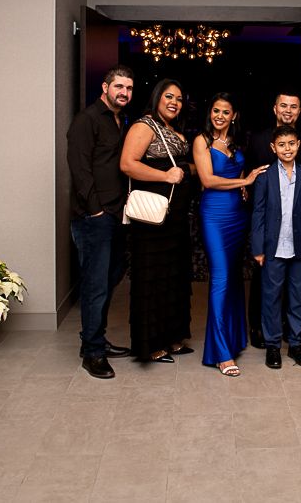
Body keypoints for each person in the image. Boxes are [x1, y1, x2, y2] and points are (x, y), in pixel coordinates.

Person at [192, 93, 269, 376]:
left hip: (238, 215)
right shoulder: (202, 140)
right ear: (210, 112)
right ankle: (221, 352)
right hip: (214, 215)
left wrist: (244, 188)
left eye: (225, 112)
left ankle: (234, 338)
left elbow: (236, 176)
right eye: (215, 111)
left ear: (233, 115)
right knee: (221, 279)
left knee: (235, 277)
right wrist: (244, 180)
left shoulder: (235, 142)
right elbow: (208, 180)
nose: (220, 116)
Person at [67, 65, 135, 380]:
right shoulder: (87, 120)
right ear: (105, 87)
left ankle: (96, 339)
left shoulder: (120, 121)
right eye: (119, 86)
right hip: (95, 217)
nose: (124, 93)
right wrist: (95, 210)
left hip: (116, 214)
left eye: (129, 88)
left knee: (110, 279)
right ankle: (92, 353)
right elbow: (80, 170)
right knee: (95, 286)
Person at [120, 78, 194, 363]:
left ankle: (171, 338)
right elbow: (127, 164)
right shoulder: (144, 126)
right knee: (151, 279)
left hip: (173, 219)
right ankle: (150, 345)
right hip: (152, 221)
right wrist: (165, 176)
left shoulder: (171, 129)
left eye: (178, 98)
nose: (174, 102)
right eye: (168, 96)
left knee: (172, 278)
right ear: (157, 98)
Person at [251, 124, 301, 369]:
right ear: (273, 148)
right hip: (273, 248)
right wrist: (258, 247)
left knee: (297, 298)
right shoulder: (264, 176)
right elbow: (258, 213)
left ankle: (295, 344)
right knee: (271, 298)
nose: (287, 148)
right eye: (281, 145)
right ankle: (272, 346)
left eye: (291, 143)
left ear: (298, 144)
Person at [244, 90, 301, 348]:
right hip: (267, 220)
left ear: (299, 111)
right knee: (263, 277)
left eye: (294, 106)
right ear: (275, 108)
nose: (288, 110)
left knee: (292, 279)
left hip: (296, 221)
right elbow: (248, 172)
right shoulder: (259, 139)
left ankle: (285, 326)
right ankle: (258, 326)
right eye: (284, 105)